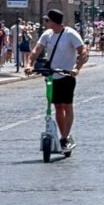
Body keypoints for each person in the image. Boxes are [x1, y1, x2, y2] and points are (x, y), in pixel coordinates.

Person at [27, 9, 88, 150]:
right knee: (57, 107)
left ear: (54, 22)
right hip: (51, 75)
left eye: (47, 20)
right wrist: (29, 64)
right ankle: (63, 135)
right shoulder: (47, 34)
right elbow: (36, 50)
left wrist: (77, 68)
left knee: (67, 106)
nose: (45, 23)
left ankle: (64, 137)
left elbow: (83, 51)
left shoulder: (70, 34)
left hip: (66, 75)